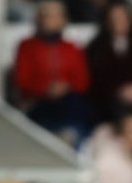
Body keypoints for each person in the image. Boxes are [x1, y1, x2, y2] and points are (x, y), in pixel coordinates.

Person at [12, 0, 91, 145]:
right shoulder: (26, 46)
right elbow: (21, 79)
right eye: (48, 16)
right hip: (37, 101)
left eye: (56, 16)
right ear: (39, 19)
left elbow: (82, 81)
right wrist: (46, 88)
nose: (52, 20)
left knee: (78, 114)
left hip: (68, 101)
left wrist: (65, 87)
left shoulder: (72, 48)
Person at [84, 0, 132, 140]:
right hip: (108, 106)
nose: (119, 22)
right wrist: (119, 92)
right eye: (115, 18)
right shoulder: (95, 49)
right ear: (107, 21)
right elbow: (93, 84)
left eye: (123, 18)